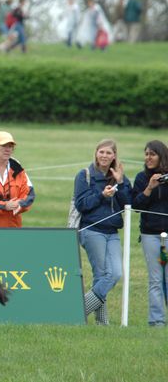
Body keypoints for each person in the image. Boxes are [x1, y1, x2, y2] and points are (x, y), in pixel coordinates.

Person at [74, 139, 131, 325]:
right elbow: (82, 204)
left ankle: (80, 310)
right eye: (101, 152)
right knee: (102, 274)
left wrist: (121, 182)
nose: (105, 156)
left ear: (114, 155)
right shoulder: (85, 175)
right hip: (91, 230)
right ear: (96, 153)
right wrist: (101, 195)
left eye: (108, 153)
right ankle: (100, 322)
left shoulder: (119, 176)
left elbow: (128, 204)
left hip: (112, 231)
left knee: (114, 273)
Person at [132, 140, 168, 327]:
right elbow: (136, 206)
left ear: (161, 156)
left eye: (152, 154)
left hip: (167, 235)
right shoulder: (141, 178)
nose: (148, 158)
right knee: (155, 278)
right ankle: (156, 321)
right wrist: (149, 188)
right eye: (146, 154)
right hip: (150, 235)